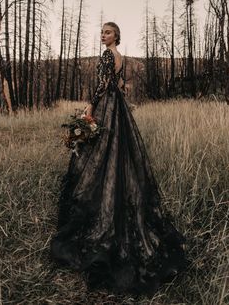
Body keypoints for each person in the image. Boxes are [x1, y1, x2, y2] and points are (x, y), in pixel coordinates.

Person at [50, 22, 189, 296]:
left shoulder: (106, 55)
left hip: (107, 106)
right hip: (120, 108)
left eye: (108, 32)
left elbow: (102, 85)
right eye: (102, 32)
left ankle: (99, 204)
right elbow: (118, 84)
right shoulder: (121, 58)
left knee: (98, 153)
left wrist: (90, 106)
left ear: (117, 36)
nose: (103, 36)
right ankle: (117, 196)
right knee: (117, 153)